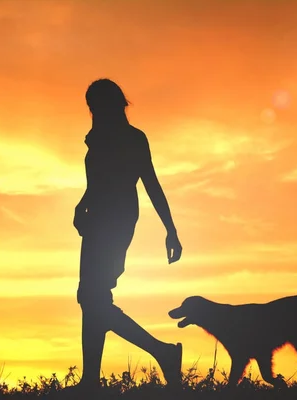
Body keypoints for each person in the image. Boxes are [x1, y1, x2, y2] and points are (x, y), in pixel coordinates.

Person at [72, 78, 183, 392]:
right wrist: (82, 205)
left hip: (116, 222)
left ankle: (161, 352)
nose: (93, 111)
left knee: (93, 297)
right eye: (90, 106)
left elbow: (149, 182)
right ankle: (90, 381)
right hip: (97, 222)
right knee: (92, 297)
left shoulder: (132, 138)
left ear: (112, 104)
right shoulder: (99, 138)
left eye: (96, 105)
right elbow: (98, 183)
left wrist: (170, 229)